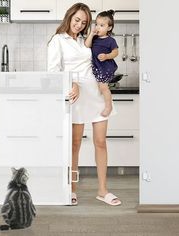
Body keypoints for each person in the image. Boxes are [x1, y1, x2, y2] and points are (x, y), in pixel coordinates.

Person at [47, 3, 121, 206]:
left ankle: (103, 190)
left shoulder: (85, 40)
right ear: (69, 16)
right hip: (76, 97)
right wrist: (72, 83)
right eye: (77, 20)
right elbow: (53, 72)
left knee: (100, 142)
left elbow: (98, 60)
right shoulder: (57, 40)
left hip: (95, 93)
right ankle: (71, 189)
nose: (79, 25)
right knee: (75, 144)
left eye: (84, 22)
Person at [85, 10, 118, 117]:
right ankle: (98, 105)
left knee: (103, 87)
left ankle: (109, 107)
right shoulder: (94, 38)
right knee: (97, 87)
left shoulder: (110, 40)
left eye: (102, 25)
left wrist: (107, 56)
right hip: (97, 67)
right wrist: (91, 34)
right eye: (97, 24)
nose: (98, 27)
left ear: (109, 28)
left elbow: (115, 52)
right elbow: (86, 45)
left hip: (105, 67)